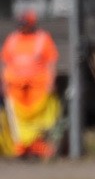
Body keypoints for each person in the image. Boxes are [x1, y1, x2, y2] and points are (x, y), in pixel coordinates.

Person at [1, 10, 60, 158]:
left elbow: (51, 62)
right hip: (16, 89)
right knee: (17, 120)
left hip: (38, 88)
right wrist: (4, 84)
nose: (23, 26)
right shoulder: (13, 39)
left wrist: (51, 82)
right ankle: (21, 147)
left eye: (25, 23)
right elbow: (5, 63)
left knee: (38, 119)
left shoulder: (42, 39)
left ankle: (37, 146)